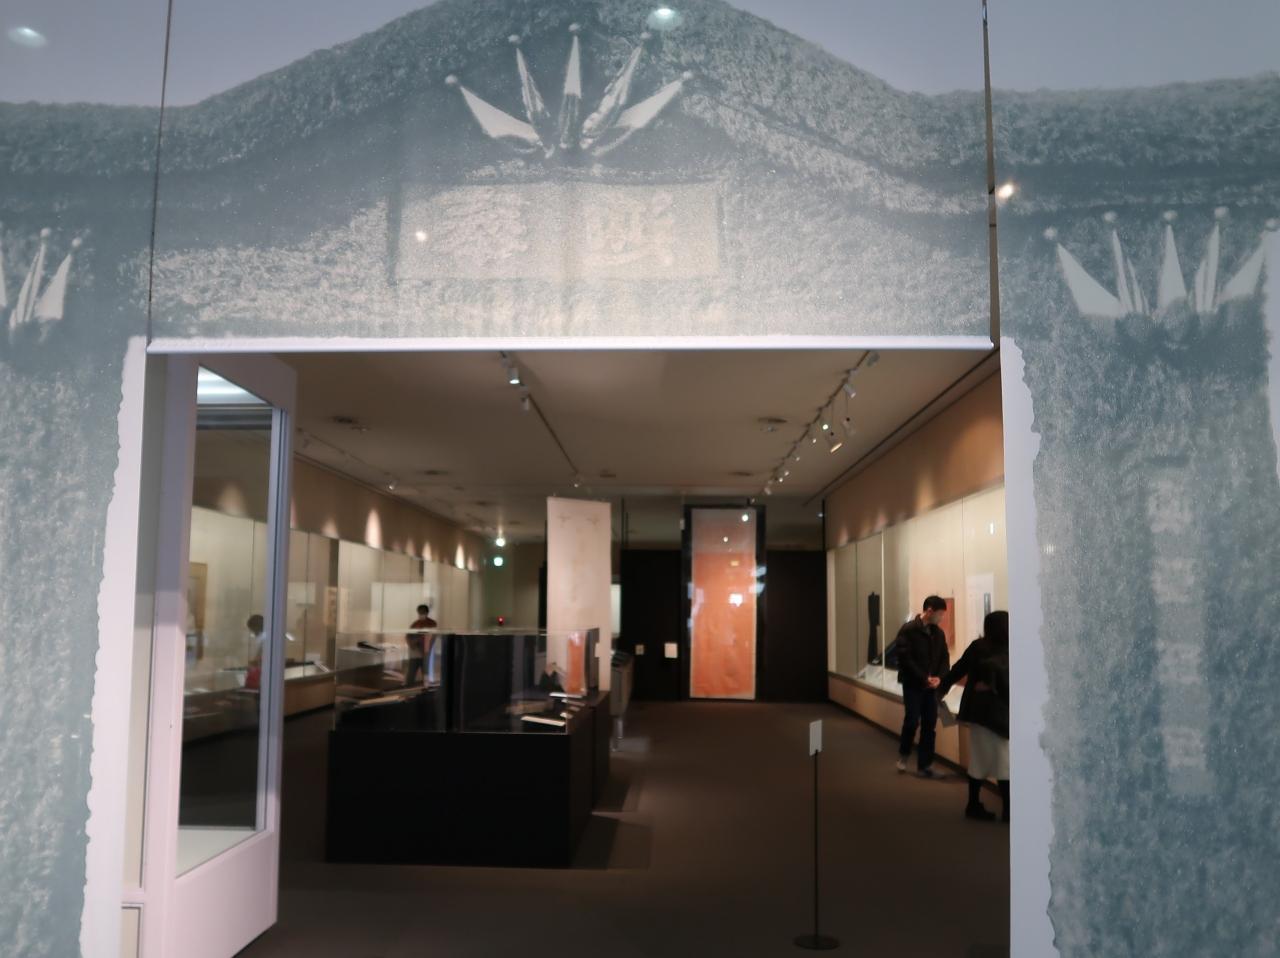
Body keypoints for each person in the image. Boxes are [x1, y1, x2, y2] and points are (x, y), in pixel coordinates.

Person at [938, 610, 1010, 822]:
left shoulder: (978, 647)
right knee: (1004, 762)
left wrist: (941, 689)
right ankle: (1008, 810)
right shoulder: (1008, 650)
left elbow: (958, 670)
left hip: (978, 713)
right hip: (998, 716)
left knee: (980, 759)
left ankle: (974, 804)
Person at [895, 595, 950, 777]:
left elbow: (944, 657)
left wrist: (940, 678)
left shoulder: (938, 633)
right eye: (940, 614)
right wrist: (923, 677)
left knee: (929, 724)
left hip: (931, 687)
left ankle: (925, 765)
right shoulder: (908, 630)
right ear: (929, 611)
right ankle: (904, 755)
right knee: (912, 721)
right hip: (913, 684)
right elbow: (905, 658)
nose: (941, 618)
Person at [404, 603, 437, 687]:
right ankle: (409, 688)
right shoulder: (415, 624)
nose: (421, 615)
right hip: (415, 652)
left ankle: (425, 689)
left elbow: (432, 637)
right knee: (411, 672)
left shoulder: (432, 624)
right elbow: (408, 636)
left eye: (423, 613)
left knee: (425, 673)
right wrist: (413, 643)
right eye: (419, 613)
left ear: (427, 613)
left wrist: (425, 648)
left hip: (426, 653)